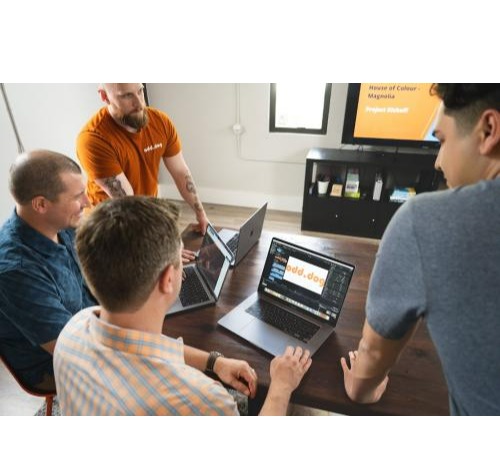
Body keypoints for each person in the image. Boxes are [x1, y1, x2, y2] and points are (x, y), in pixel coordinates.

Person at [53, 196, 312, 415]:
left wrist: (214, 362)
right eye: (180, 257)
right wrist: (281, 386)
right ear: (168, 279)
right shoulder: (202, 399)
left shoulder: (72, 331)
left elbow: (146, 347)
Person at [341, 84, 500, 415]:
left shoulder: (423, 220)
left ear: (488, 129)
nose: (438, 162)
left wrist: (361, 389)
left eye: (441, 141)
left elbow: (372, 355)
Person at [76, 83, 208, 262]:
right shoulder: (93, 139)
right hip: (109, 230)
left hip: (142, 216)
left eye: (140, 91)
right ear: (104, 96)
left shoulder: (160, 121)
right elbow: (129, 202)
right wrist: (166, 247)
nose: (139, 104)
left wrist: (200, 212)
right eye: (126, 96)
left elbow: (180, 172)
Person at [0, 150, 96, 392]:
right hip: (54, 362)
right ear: (41, 204)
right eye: (78, 196)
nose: (87, 202)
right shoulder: (16, 270)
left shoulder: (60, 222)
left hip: (90, 321)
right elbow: (72, 348)